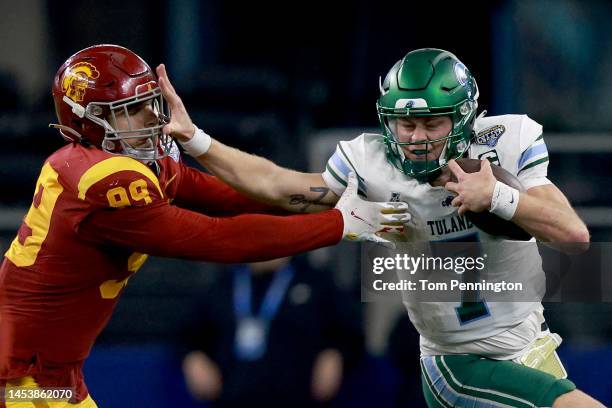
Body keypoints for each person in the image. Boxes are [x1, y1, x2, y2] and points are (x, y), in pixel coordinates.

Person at [166, 48, 604, 407]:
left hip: (529, 346)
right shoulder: (369, 165)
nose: (416, 138)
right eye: (405, 123)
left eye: (432, 123)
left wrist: (498, 198)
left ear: (465, 118)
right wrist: (196, 141)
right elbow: (277, 185)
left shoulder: (504, 142)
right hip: (458, 361)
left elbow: (573, 235)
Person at [0, 44, 410, 408]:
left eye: (149, 101)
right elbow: (222, 238)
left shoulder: (128, 165)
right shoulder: (106, 181)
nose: (149, 116)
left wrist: (342, 189)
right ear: (88, 122)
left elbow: (246, 192)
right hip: (20, 380)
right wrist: (340, 224)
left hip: (50, 375)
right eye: (129, 110)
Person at [181, 256, 364, 407]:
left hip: (298, 399)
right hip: (231, 397)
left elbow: (351, 335)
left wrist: (336, 354)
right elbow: (188, 335)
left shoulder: (317, 283)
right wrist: (193, 357)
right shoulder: (223, 283)